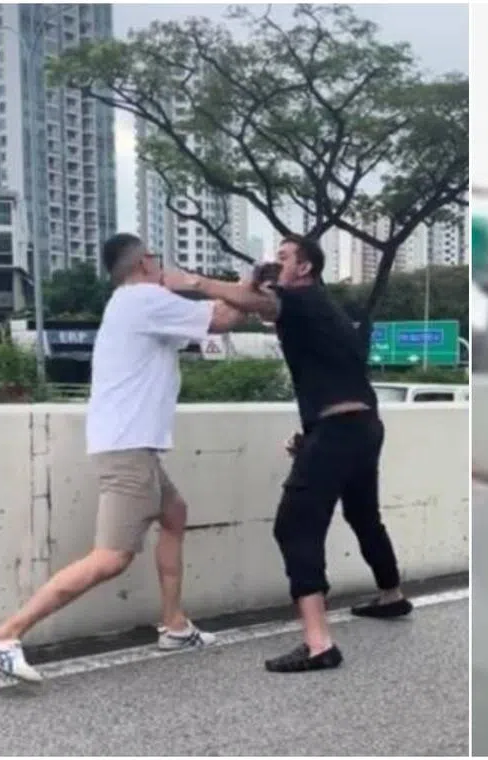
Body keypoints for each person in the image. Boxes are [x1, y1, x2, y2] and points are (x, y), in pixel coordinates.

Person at [0, 233, 247, 682]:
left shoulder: (135, 304)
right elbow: (223, 318)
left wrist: (238, 289)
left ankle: (175, 625)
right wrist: (245, 285)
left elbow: (213, 321)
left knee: (174, 513)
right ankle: (5, 635)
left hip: (132, 444)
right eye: (156, 258)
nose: (162, 265)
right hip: (127, 447)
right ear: (143, 264)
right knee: (111, 557)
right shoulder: (143, 299)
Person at [166, 236, 410, 673]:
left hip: (338, 431)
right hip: (363, 427)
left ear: (305, 269)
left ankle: (318, 645)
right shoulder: (327, 310)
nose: (274, 264)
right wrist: (312, 434)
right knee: (363, 515)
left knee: (293, 526)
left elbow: (252, 303)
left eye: (283, 259)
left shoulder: (299, 300)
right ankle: (391, 597)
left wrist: (194, 281)